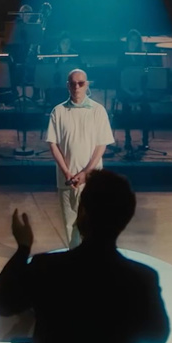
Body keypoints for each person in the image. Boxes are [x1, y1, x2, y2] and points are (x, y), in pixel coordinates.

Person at [0, 169, 170, 343]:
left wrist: (23, 248)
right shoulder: (142, 279)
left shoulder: (46, 268)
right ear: (126, 218)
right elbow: (158, 335)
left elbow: (0, 302)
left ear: (82, 213)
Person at [46, 68, 114, 249]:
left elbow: (101, 144)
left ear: (87, 85)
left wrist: (86, 172)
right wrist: (67, 172)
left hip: (92, 180)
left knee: (93, 223)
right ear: (67, 85)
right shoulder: (58, 111)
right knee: (70, 225)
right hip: (67, 179)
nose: (77, 87)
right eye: (73, 83)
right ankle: (74, 259)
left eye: (81, 83)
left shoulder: (98, 111)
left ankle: (92, 260)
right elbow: (53, 144)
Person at [117, 29, 153, 157]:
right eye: (131, 41)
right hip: (125, 90)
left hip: (140, 89)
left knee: (146, 108)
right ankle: (127, 139)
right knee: (126, 107)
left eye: (136, 41)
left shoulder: (143, 56)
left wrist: (141, 89)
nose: (133, 43)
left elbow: (148, 71)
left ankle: (145, 141)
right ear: (128, 42)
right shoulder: (122, 56)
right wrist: (128, 91)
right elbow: (119, 76)